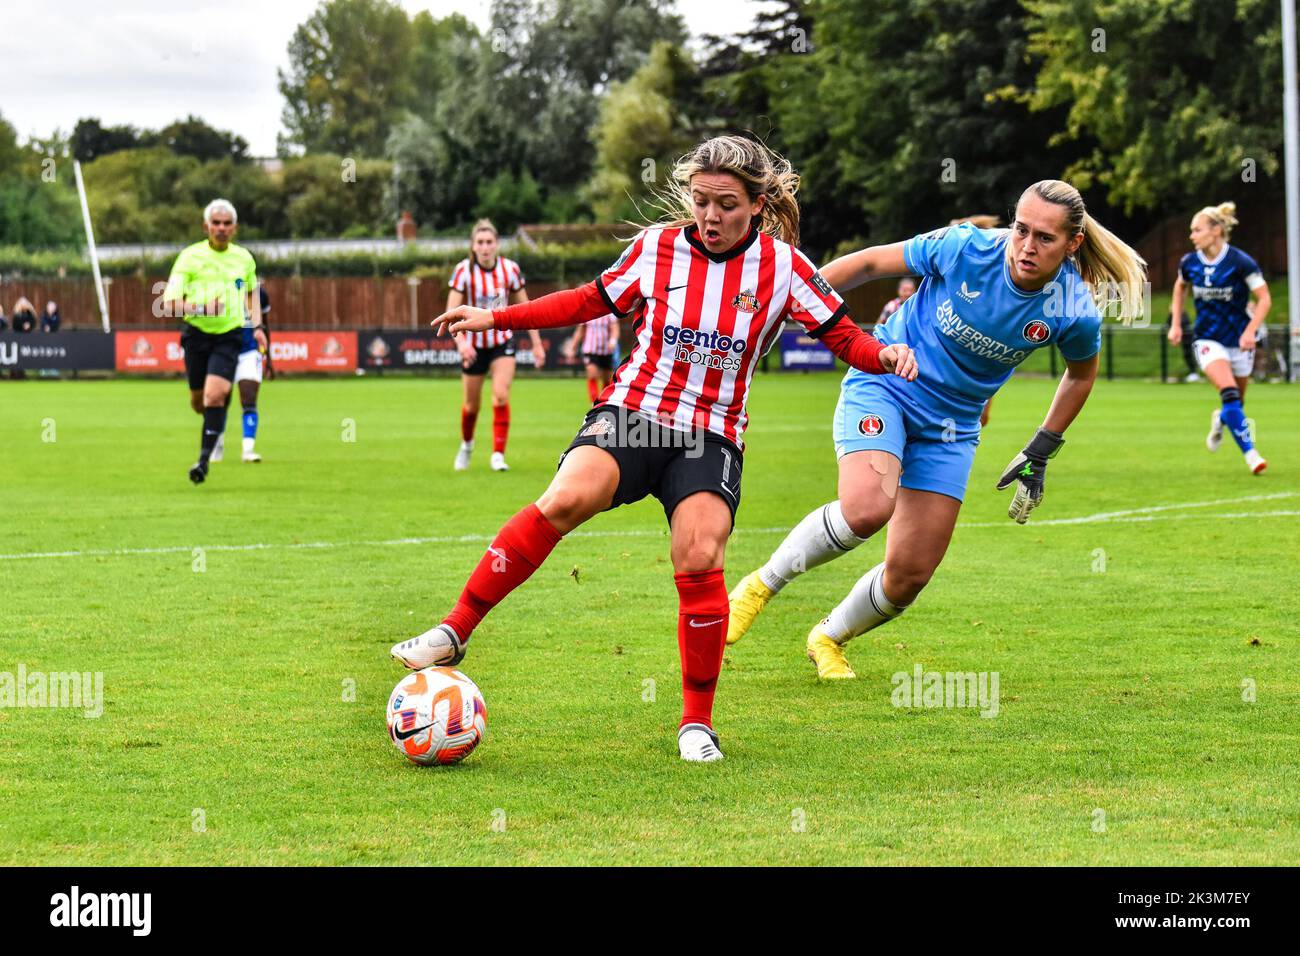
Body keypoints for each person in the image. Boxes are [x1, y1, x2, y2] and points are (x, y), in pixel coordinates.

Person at [391, 135, 918, 761]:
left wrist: (882, 353)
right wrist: (497, 318)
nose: (711, 216)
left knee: (699, 553)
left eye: (726, 204)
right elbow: (586, 301)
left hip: (711, 432)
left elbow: (842, 336)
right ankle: (455, 630)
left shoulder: (783, 269)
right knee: (568, 495)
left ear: (755, 205)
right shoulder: (657, 248)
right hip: (636, 412)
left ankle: (696, 723)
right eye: (701, 202)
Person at [727, 180, 1147, 679]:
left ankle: (828, 637)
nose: (1027, 247)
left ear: (1072, 244)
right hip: (885, 384)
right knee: (867, 509)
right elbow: (867, 264)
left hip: (952, 426)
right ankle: (760, 586)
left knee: (909, 575)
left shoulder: (1072, 309)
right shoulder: (965, 247)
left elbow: (1080, 374)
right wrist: (787, 301)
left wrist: (1042, 447)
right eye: (1021, 230)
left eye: (1045, 239)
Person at [161, 198, 263, 485]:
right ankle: (213, 424)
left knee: (214, 396)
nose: (221, 228)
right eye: (216, 223)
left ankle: (203, 461)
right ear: (206, 226)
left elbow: (252, 293)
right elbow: (168, 305)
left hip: (229, 336)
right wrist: (201, 308)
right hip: (196, 336)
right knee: (199, 402)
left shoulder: (244, 258)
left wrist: (257, 326)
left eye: (226, 223)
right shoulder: (189, 258)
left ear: (235, 228)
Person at [1167, 202, 1270, 474]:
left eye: (1197, 230)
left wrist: (1250, 332)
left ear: (1216, 230)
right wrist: (1176, 324)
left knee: (1236, 403)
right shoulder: (1189, 263)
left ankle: (1221, 419)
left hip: (1239, 341)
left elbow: (1264, 299)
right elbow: (1180, 289)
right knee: (1229, 392)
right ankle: (1251, 454)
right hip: (1208, 339)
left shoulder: (1240, 262)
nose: (1192, 236)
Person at [448, 219, 545, 472]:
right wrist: (462, 345)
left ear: (497, 244)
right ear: (473, 246)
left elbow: (529, 310)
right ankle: (467, 445)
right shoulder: (463, 271)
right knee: (471, 406)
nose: (485, 247)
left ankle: (498, 455)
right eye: (480, 242)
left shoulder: (510, 270)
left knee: (501, 396)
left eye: (489, 242)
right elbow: (451, 313)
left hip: (502, 342)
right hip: (473, 345)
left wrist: (536, 344)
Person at [230, 285, 272, 462]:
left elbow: (265, 325)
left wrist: (269, 359)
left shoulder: (259, 293)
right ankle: (216, 444)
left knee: (249, 399)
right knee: (219, 401)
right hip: (224, 351)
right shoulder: (220, 286)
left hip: (250, 352)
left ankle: (248, 450)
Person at [562, 310, 621, 404]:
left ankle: (604, 401)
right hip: (590, 349)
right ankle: (594, 402)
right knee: (592, 373)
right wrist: (573, 347)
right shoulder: (587, 311)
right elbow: (580, 331)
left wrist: (613, 341)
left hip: (606, 350)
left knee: (607, 377)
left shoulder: (609, 312)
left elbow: (615, 328)